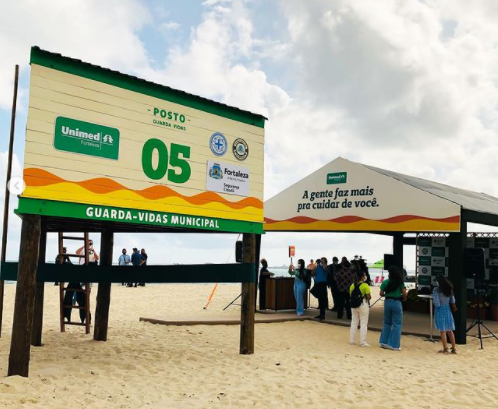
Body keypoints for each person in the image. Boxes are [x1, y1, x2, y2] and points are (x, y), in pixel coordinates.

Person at [379, 266, 407, 351]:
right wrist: (403, 298)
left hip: (387, 302)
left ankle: (383, 342)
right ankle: (394, 345)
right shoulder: (400, 282)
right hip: (396, 302)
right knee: (397, 324)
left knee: (387, 322)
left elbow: (381, 293)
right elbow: (404, 294)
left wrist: (387, 295)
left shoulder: (385, 282)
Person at [433, 275, 457, 354]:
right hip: (447, 309)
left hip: (440, 310)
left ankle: (445, 348)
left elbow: (437, 303)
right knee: (449, 330)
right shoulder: (449, 289)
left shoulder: (436, 290)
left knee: (442, 331)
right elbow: (452, 300)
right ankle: (454, 348)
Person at [349, 270, 372, 346]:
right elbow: (368, 297)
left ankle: (352, 340)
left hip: (354, 305)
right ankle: (363, 342)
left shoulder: (352, 285)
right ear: (362, 277)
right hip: (363, 305)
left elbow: (350, 295)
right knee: (363, 324)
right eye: (364, 275)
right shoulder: (365, 285)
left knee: (354, 322)